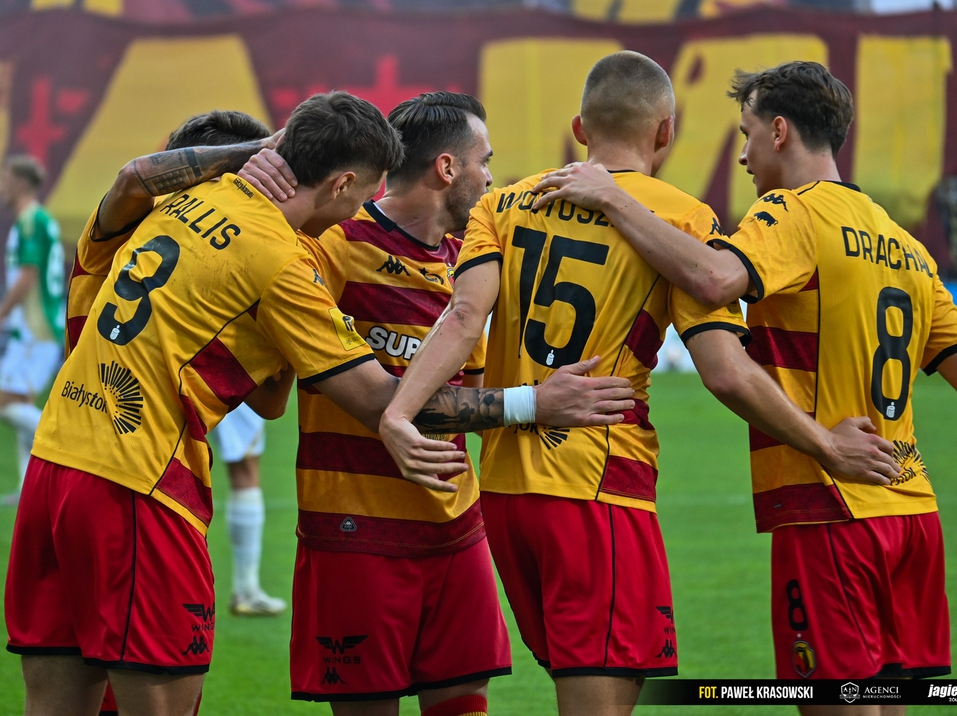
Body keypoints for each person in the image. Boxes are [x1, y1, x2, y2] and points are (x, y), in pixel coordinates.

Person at [5, 90, 631, 716]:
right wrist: (533, 403)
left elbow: (131, 179)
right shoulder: (287, 261)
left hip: (55, 462)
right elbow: (383, 403)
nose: (363, 211)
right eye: (364, 195)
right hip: (138, 480)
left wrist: (257, 152)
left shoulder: (180, 203)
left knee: (54, 702)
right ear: (343, 183)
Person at [379, 53, 898, 716]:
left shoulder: (504, 203)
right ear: (665, 132)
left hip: (505, 500)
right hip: (601, 490)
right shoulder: (684, 219)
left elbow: (461, 317)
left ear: (580, 128)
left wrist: (399, 412)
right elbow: (725, 372)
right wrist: (825, 444)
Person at [530, 60, 957, 714]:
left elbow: (714, 279)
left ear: (781, 131)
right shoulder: (905, 246)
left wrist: (615, 197)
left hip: (831, 508)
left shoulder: (792, 213)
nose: (742, 155)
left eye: (748, 133)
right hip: (912, 514)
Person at [240, 91, 508, 715]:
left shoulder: (469, 265)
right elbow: (270, 392)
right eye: (485, 161)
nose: (491, 178)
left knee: (464, 701)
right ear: (448, 168)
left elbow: (462, 399)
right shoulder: (332, 246)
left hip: (455, 524)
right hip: (355, 530)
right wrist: (537, 405)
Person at [65, 110, 289, 617]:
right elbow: (271, 401)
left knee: (66, 654)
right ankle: (247, 586)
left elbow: (133, 178)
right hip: (145, 467)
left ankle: (248, 585)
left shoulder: (119, 229)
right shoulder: (257, 258)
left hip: (69, 443)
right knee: (149, 658)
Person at [0, 155, 64, 504]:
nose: (1, 186)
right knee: (20, 401)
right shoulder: (40, 219)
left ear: (21, 183)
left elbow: (28, 274)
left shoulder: (30, 220)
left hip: (34, 328)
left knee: (5, 401)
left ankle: (62, 442)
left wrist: (2, 313)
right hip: (37, 327)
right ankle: (30, 490)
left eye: (5, 178)